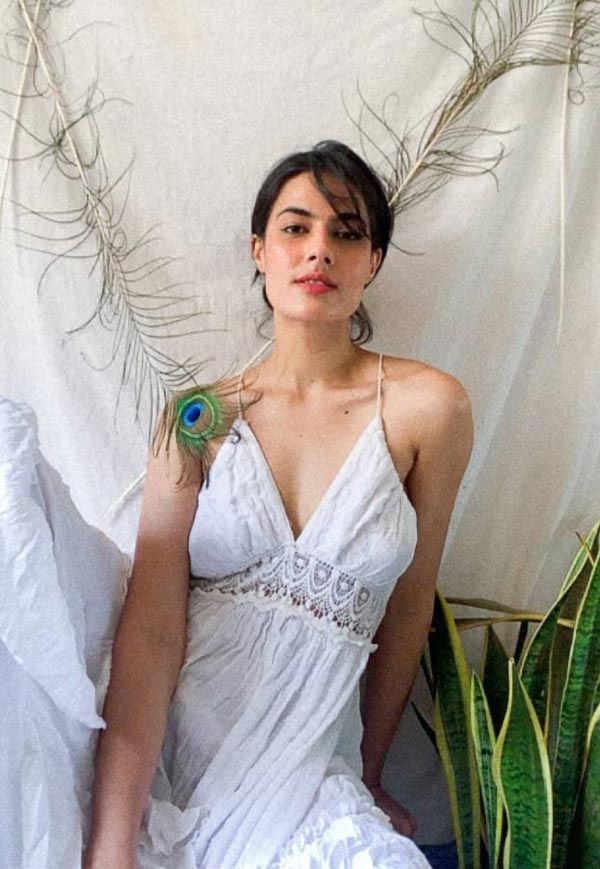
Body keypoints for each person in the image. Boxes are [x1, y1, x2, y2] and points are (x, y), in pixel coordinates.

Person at [84, 141, 473, 868]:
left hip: (316, 773)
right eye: (296, 227)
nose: (319, 249)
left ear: (373, 260)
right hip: (184, 761)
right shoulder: (196, 419)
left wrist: (370, 771)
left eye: (346, 232)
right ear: (259, 250)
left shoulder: (429, 409)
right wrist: (111, 845)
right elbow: (150, 633)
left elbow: (409, 607)